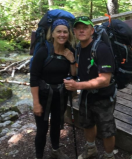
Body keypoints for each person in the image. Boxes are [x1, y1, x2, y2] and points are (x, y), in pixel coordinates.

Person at [64, 16, 117, 159]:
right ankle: (91, 149)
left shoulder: (102, 49)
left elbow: (105, 80)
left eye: (85, 27)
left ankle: (109, 156)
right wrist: (71, 61)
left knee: (107, 130)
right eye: (78, 28)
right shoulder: (79, 48)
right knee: (87, 123)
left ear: (92, 30)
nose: (81, 30)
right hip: (87, 95)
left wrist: (77, 85)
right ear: (74, 31)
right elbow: (77, 70)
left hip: (104, 96)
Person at [30, 19, 76, 159]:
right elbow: (34, 78)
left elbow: (74, 74)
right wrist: (36, 103)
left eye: (65, 32)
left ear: (68, 33)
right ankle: (39, 156)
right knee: (42, 129)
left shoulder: (70, 50)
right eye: (59, 31)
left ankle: (56, 150)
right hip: (43, 96)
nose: (62, 35)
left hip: (61, 96)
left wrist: (72, 60)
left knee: (56, 125)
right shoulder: (44, 51)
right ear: (53, 33)